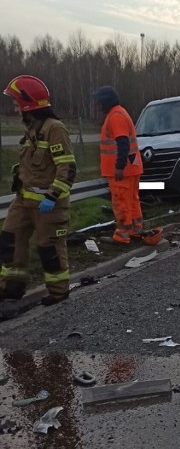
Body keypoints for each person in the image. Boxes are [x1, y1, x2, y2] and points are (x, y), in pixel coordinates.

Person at [0, 75, 76, 314]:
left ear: (28, 104)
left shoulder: (55, 129)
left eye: (16, 102)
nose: (13, 107)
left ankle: (58, 292)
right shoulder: (32, 128)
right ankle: (10, 289)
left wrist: (52, 197)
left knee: (49, 249)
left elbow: (67, 167)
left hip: (48, 205)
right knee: (10, 242)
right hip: (23, 201)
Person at [93, 86, 143, 244]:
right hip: (131, 167)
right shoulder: (119, 113)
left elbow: (122, 143)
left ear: (105, 102)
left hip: (123, 170)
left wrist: (119, 167)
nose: (97, 105)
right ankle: (135, 230)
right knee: (131, 201)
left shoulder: (115, 116)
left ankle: (122, 235)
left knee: (121, 201)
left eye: (98, 102)